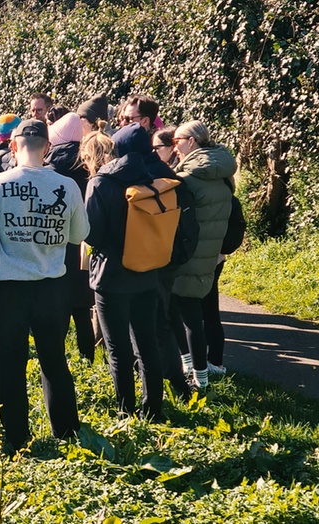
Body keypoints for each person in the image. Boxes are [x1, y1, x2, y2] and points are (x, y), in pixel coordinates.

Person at [0, 119, 89, 453]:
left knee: (10, 363)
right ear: (47, 147)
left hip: (9, 289)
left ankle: (16, 439)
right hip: (52, 288)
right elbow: (78, 235)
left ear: (14, 146)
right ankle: (67, 431)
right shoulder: (69, 186)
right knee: (54, 361)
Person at [84, 124, 164, 421]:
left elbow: (91, 235)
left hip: (111, 276)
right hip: (146, 272)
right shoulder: (155, 180)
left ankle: (125, 411)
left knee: (118, 348)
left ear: (115, 149)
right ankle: (153, 410)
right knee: (147, 345)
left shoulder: (101, 182)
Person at [113, 122, 193, 401]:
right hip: (165, 256)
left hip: (140, 261)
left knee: (153, 328)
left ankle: (175, 385)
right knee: (158, 324)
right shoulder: (165, 173)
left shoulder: (127, 175)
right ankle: (174, 385)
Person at [170, 120, 236, 388]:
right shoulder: (222, 171)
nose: (175, 148)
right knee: (202, 313)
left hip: (188, 254)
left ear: (192, 141)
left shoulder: (188, 178)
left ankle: (198, 377)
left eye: (177, 141)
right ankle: (205, 368)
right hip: (211, 253)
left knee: (184, 315)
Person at [44, 112, 95, 361]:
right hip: (82, 243)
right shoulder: (89, 168)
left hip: (54, 242)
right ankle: (88, 355)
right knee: (82, 307)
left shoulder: (50, 169)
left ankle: (55, 356)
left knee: (56, 307)